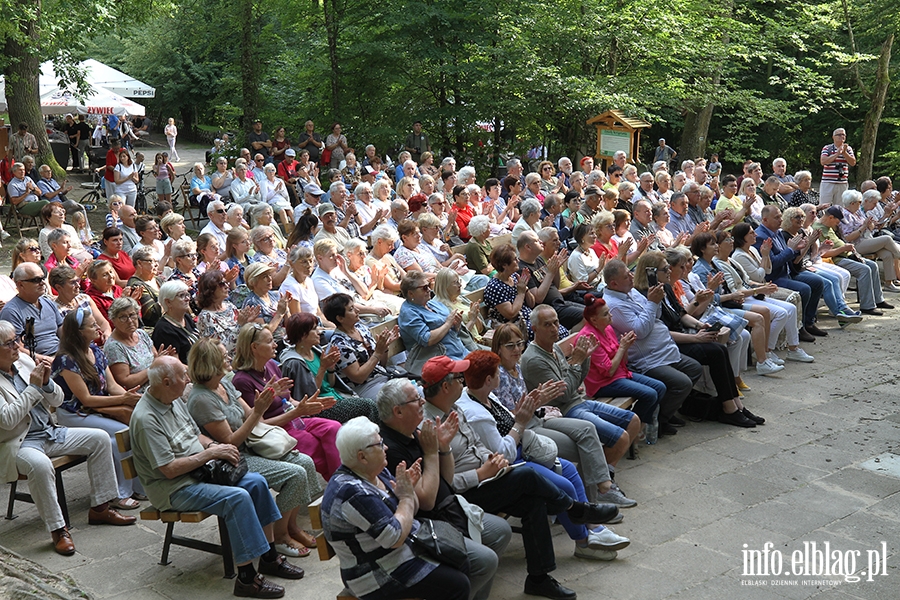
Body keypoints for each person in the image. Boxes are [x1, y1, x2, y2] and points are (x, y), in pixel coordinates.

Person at [420, 356, 618, 600]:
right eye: (459, 378)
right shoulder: (427, 427)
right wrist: (482, 473)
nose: (463, 383)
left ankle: (539, 578)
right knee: (527, 474)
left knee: (534, 502)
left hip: (488, 478)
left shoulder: (455, 406)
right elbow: (444, 485)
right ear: (446, 386)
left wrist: (492, 460)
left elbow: (478, 445)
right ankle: (575, 509)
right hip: (462, 497)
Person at [129, 356, 304, 598]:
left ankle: (269, 557)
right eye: (183, 375)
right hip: (173, 487)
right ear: (167, 382)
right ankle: (246, 579)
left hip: (199, 471)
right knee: (237, 498)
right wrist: (210, 454)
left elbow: (195, 436)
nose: (188, 379)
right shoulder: (146, 419)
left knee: (257, 482)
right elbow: (168, 470)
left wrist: (215, 447)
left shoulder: (173, 399)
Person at [0, 320, 137, 556]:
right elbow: (7, 420)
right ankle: (58, 529)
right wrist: (34, 388)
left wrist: (46, 384)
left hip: (50, 431)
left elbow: (58, 400)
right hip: (21, 442)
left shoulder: (23, 362)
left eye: (17, 339)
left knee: (100, 438)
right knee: (41, 466)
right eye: (10, 342)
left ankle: (101, 508)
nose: (17, 346)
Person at [378, 378, 512, 600]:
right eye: (415, 399)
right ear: (398, 412)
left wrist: (444, 447)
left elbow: (447, 480)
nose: (422, 401)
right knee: (486, 560)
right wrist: (431, 453)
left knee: (500, 531)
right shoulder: (391, 449)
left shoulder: (414, 433)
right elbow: (426, 501)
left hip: (449, 507)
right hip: (427, 525)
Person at [187, 339, 320, 558]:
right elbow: (231, 442)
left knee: (304, 461)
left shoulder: (224, 383)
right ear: (210, 363)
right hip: (233, 458)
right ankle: (280, 536)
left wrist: (291, 410)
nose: (229, 357)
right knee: (295, 474)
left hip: (252, 446)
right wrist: (260, 411)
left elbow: (252, 419)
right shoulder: (202, 399)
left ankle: (291, 526)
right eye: (223, 356)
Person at [322, 416, 471, 600]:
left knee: (461, 561)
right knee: (458, 585)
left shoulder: (375, 471)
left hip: (400, 551)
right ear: (362, 456)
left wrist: (408, 492)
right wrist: (406, 496)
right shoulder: (352, 493)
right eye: (379, 444)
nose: (386, 448)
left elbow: (410, 512)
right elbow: (394, 537)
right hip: (376, 573)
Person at [51, 308, 146, 508]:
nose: (97, 327)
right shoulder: (65, 359)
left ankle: (140, 486)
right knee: (119, 435)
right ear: (79, 331)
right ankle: (120, 493)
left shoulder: (95, 350)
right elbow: (86, 400)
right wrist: (123, 400)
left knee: (137, 423)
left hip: (97, 409)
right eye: (92, 325)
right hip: (75, 414)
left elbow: (111, 386)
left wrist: (132, 398)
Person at [522, 305, 641, 462]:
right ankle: (603, 477)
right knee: (620, 437)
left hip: (579, 401)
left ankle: (605, 470)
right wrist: (577, 362)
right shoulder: (534, 359)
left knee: (633, 421)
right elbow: (564, 395)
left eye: (556, 323)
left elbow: (574, 380)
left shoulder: (555, 348)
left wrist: (585, 358)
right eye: (547, 324)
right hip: (564, 411)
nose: (554, 329)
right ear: (535, 329)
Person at [601, 259, 704, 435]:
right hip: (647, 359)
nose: (631, 277)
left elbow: (655, 316)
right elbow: (640, 330)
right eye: (627, 276)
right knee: (682, 383)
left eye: (630, 272)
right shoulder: (613, 305)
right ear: (614, 283)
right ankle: (659, 421)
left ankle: (666, 412)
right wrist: (651, 303)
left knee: (694, 368)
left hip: (664, 349)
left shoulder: (630, 291)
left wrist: (654, 302)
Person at [231, 324, 341, 479]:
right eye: (269, 341)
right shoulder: (242, 381)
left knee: (334, 428)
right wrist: (298, 412)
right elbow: (260, 425)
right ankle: (339, 486)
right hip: (276, 430)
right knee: (314, 445)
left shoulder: (270, 365)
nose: (275, 344)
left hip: (294, 419)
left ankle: (343, 481)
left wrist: (309, 405)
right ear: (254, 347)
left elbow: (288, 400)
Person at [574, 294, 664, 432]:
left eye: (609, 311)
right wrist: (622, 347)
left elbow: (624, 361)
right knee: (650, 394)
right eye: (606, 314)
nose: (610, 315)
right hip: (602, 383)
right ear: (594, 319)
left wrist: (626, 347)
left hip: (620, 374)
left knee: (660, 387)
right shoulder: (588, 337)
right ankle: (632, 430)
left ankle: (637, 427)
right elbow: (608, 371)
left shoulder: (607, 328)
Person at [280, 313, 379, 423]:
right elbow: (309, 397)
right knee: (368, 405)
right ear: (303, 335)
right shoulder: (295, 363)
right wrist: (322, 368)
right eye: (314, 329)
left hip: (336, 397)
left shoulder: (314, 350)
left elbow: (330, 385)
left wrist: (330, 368)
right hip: (320, 408)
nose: (319, 332)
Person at [813, 205, 894, 316]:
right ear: (830, 217)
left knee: (873, 265)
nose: (839, 223)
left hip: (847, 254)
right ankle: (867, 306)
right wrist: (843, 248)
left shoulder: (829, 226)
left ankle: (878, 299)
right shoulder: (819, 228)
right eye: (838, 221)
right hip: (835, 259)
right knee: (864, 270)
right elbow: (823, 253)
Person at [321, 293, 399, 399]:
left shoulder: (361, 328)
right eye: (351, 309)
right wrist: (378, 352)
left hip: (383, 377)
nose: (357, 311)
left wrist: (384, 347)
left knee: (414, 390)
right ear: (340, 318)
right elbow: (359, 378)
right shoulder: (339, 344)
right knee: (403, 398)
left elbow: (381, 364)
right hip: (365, 388)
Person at [398, 271, 467, 376]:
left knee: (490, 363)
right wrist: (448, 323)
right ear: (411, 293)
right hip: (440, 361)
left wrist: (456, 326)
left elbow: (453, 332)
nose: (429, 290)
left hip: (460, 351)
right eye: (424, 288)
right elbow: (427, 339)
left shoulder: (433, 304)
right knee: (483, 370)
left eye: (429, 285)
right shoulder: (408, 313)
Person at [1, 264, 63, 361]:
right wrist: (45, 359)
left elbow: (63, 331)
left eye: (43, 278)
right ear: (20, 284)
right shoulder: (11, 312)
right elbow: (17, 348)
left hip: (61, 354)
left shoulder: (47, 302)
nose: (43, 283)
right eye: (36, 280)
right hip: (39, 361)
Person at [152, 280, 199, 364]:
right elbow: (176, 366)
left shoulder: (186, 317)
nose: (187, 299)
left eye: (187, 294)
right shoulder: (164, 330)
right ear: (168, 302)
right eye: (182, 296)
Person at [820, 128, 856, 206]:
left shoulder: (848, 149)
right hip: (828, 182)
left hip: (842, 182)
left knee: (841, 206)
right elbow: (823, 161)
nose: (841, 136)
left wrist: (844, 153)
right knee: (825, 205)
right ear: (833, 137)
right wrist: (837, 153)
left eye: (843, 135)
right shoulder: (827, 148)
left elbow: (853, 162)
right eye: (839, 135)